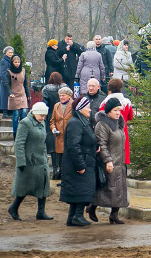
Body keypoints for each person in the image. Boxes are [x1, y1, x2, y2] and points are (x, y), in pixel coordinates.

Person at [8, 102, 53, 221]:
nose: (43, 118)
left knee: (43, 184)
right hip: (29, 161)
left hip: (41, 160)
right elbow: (19, 143)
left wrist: (44, 156)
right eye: (41, 115)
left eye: (44, 116)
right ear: (34, 112)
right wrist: (21, 161)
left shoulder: (41, 123)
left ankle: (41, 212)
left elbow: (43, 141)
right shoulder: (25, 123)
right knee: (24, 187)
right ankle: (14, 207)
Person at [89, 97, 128, 224]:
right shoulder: (102, 125)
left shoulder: (119, 124)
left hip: (119, 162)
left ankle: (114, 214)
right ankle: (92, 207)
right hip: (109, 162)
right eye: (115, 110)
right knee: (106, 188)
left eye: (119, 110)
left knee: (119, 189)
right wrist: (107, 160)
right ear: (108, 111)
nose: (118, 113)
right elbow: (102, 144)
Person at [59, 97, 97, 226]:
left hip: (85, 160)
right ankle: (78, 215)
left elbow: (86, 139)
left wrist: (94, 147)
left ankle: (72, 217)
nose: (90, 110)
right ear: (80, 109)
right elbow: (73, 145)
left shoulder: (81, 121)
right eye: (88, 107)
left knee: (79, 190)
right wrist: (80, 165)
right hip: (80, 162)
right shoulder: (76, 122)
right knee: (83, 189)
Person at [99, 79, 133, 165]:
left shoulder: (104, 103)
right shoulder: (127, 102)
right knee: (123, 160)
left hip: (109, 133)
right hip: (123, 132)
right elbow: (130, 117)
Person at [42, 72, 68, 158]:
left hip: (50, 112)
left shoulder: (46, 89)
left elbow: (45, 103)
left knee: (50, 131)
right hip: (63, 113)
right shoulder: (65, 88)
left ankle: (51, 149)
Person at [50, 87, 73, 180]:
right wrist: (53, 128)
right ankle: (62, 177)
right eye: (60, 95)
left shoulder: (74, 105)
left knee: (69, 158)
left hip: (70, 136)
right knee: (61, 159)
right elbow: (52, 121)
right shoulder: (56, 106)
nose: (61, 97)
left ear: (69, 96)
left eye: (63, 95)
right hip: (59, 137)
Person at [4, 55, 30, 139]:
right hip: (14, 95)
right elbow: (7, 84)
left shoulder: (23, 70)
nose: (17, 64)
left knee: (24, 112)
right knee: (15, 114)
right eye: (15, 62)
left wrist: (28, 95)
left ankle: (22, 132)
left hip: (22, 94)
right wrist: (10, 93)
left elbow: (25, 84)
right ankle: (15, 133)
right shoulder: (9, 72)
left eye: (18, 62)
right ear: (12, 62)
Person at [0, 46, 14, 117]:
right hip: (5, 81)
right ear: (5, 53)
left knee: (9, 97)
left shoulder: (11, 60)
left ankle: (9, 111)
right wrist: (6, 81)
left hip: (10, 81)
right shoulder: (4, 61)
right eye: (9, 52)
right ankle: (5, 112)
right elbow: (3, 72)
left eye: (12, 52)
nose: (11, 54)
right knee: (5, 97)